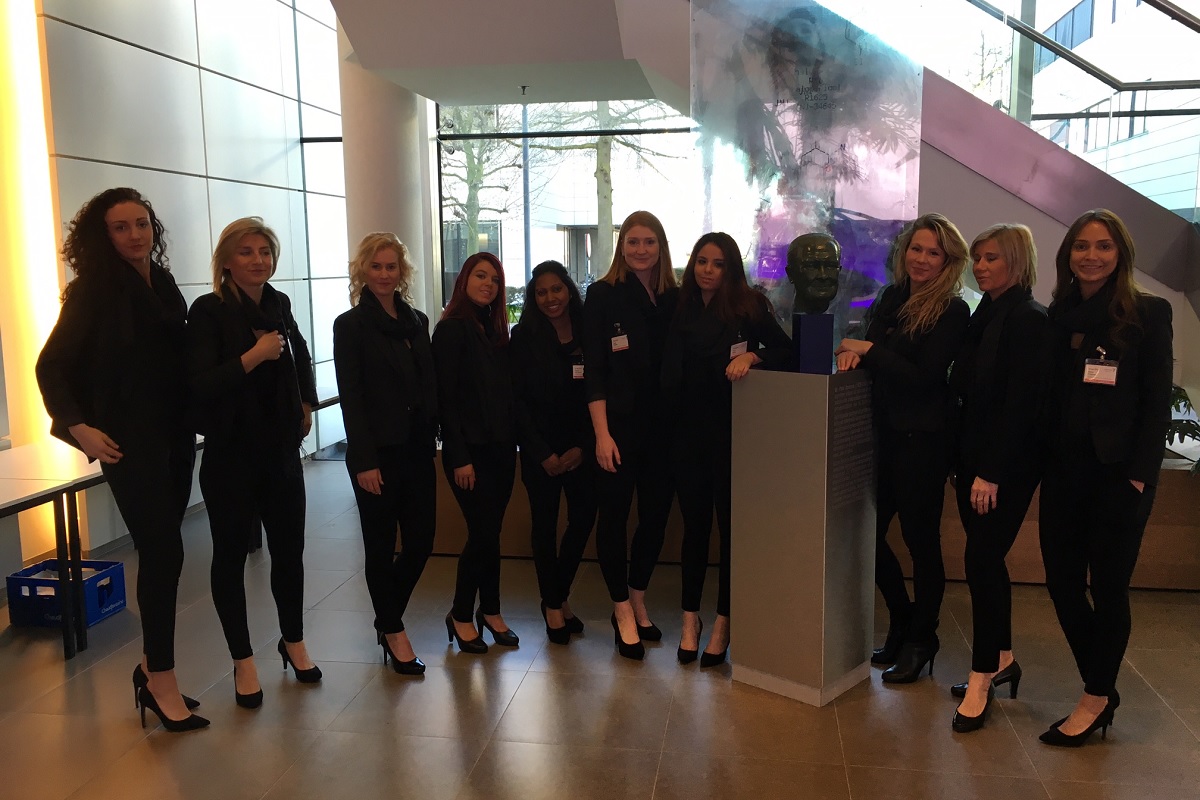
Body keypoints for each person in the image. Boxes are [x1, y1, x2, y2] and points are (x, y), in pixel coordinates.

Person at [36, 188, 207, 732]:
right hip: (127, 444)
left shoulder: (163, 281)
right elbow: (51, 365)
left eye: (142, 223)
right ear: (103, 235)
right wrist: (78, 427)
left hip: (174, 437)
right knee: (162, 552)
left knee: (167, 555)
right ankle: (162, 679)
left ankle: (152, 669)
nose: (135, 235)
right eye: (121, 227)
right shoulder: (92, 290)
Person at [1038, 210, 1172, 746]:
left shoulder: (1147, 312)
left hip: (1118, 476)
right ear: (1068, 254)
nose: (1091, 256)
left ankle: (1095, 697)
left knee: (1109, 588)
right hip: (1064, 472)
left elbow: (1156, 403)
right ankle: (1103, 685)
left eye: (1104, 246)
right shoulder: (1059, 314)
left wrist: (1139, 478)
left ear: (1121, 255)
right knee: (1062, 584)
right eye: (1081, 246)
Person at [187, 217, 321, 708]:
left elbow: (300, 354)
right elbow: (200, 383)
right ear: (226, 261)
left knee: (289, 553)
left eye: (265, 251)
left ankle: (294, 641)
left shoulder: (278, 303)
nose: (258, 260)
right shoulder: (209, 311)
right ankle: (242, 660)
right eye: (246, 252)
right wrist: (254, 355)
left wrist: (305, 401)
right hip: (231, 455)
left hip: (280, 451)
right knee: (229, 558)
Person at [835, 213, 970, 685]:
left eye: (934, 252)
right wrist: (855, 353)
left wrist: (869, 351)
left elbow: (925, 378)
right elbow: (872, 355)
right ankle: (902, 619)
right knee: (869, 537)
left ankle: (921, 638)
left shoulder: (952, 310)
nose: (922, 259)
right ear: (904, 251)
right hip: (883, 437)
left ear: (948, 261)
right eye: (917, 248)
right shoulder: (891, 297)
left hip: (924, 442)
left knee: (921, 544)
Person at [663, 232, 791, 667]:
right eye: (702, 261)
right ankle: (690, 620)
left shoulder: (748, 306)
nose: (708, 270)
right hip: (685, 436)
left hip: (733, 436)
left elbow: (786, 350)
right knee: (695, 530)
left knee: (730, 530)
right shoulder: (678, 305)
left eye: (718, 263)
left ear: (731, 268)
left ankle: (724, 622)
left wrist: (753, 358)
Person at [946, 223, 1050, 732]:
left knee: (981, 561)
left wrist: (990, 472)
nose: (981, 266)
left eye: (992, 258)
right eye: (978, 258)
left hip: (1002, 468)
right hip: (974, 460)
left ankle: (982, 674)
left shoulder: (1029, 319)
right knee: (987, 563)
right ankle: (1003, 658)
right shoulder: (985, 312)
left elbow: (1021, 408)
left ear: (1017, 261)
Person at [333, 233, 438, 675]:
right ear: (363, 271)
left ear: (402, 271)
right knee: (379, 547)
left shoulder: (417, 321)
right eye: (375, 266)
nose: (383, 274)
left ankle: (385, 616)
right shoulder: (351, 325)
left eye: (391, 266)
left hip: (417, 450)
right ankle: (394, 631)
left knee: (421, 543)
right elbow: (352, 397)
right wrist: (364, 460)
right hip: (376, 455)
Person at [583, 210, 679, 660]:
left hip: (663, 429)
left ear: (661, 247)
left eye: (649, 242)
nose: (641, 250)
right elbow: (594, 371)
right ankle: (620, 608)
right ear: (622, 246)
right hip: (617, 428)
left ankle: (638, 596)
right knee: (615, 517)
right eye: (633, 241)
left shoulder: (673, 298)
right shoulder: (603, 295)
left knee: (656, 516)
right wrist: (601, 435)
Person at [433, 252, 518, 653]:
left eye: (495, 279)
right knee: (482, 533)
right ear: (464, 280)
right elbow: (445, 400)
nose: (488, 284)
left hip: (500, 449)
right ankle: (461, 613)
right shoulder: (451, 330)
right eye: (480, 276)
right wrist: (460, 456)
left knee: (491, 533)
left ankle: (492, 610)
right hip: (468, 453)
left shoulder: (496, 329)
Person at [510, 261, 596, 645]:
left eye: (556, 289)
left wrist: (583, 446)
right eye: (541, 292)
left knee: (582, 521)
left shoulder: (588, 330)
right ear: (534, 297)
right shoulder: (523, 336)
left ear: (568, 289)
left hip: (581, 448)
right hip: (539, 452)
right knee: (544, 528)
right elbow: (517, 401)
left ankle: (555, 597)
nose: (550, 298)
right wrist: (541, 453)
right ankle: (555, 607)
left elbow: (598, 391)